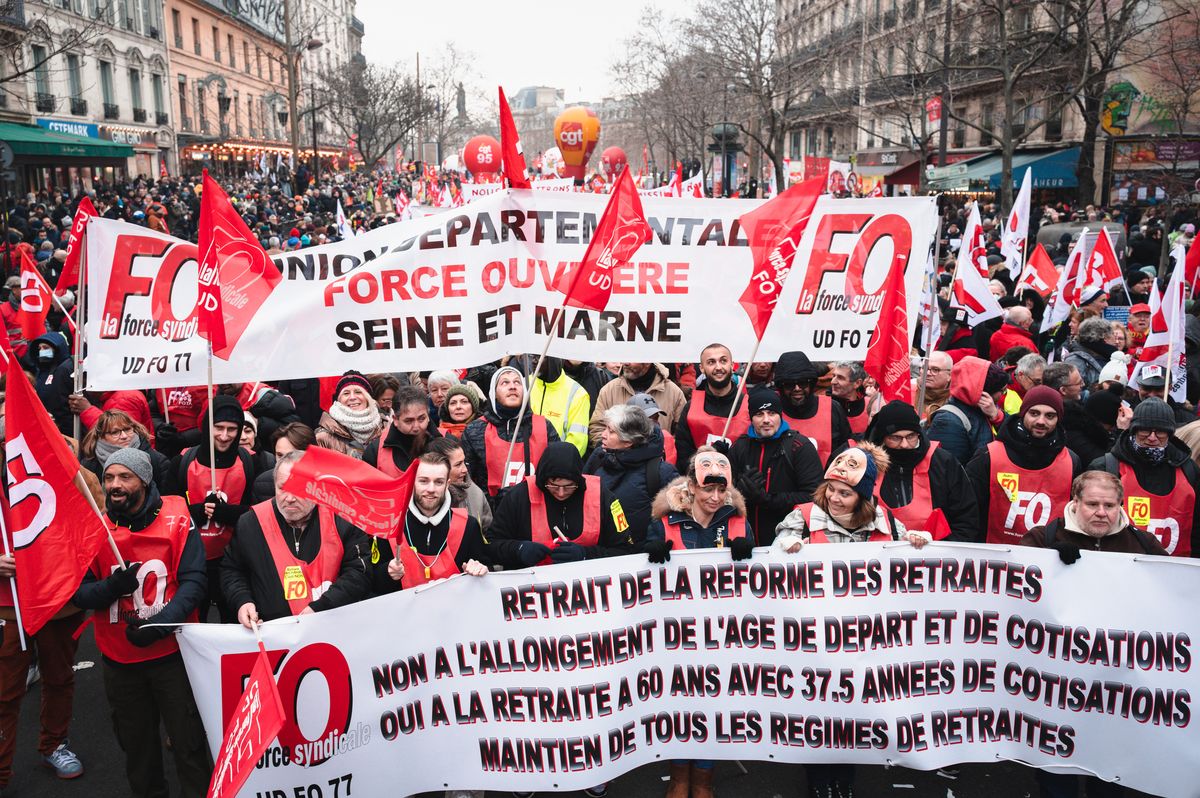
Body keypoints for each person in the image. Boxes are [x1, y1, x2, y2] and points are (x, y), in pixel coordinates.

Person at [771, 443, 929, 798]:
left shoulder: (885, 522)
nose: (836, 498)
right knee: (819, 711)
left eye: (845, 493)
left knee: (852, 713)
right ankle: (818, 781)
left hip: (863, 640)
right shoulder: (805, 515)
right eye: (831, 490)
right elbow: (778, 543)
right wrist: (787, 545)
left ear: (863, 497)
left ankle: (844, 780)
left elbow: (909, 554)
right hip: (815, 638)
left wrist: (918, 543)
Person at [70, 448, 212, 798]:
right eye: (108, 478)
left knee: (189, 744)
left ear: (145, 481)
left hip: (173, 656)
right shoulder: (96, 526)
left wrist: (160, 625)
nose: (114, 485)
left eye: (125, 477)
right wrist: (110, 587)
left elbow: (194, 580)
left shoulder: (177, 515)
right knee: (137, 749)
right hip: (120, 662)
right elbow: (79, 593)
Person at [1019, 470, 1165, 798]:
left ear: (1121, 506)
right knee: (1058, 776)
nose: (1102, 512)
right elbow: (1016, 598)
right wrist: (1047, 566)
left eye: (1110, 505)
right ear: (1075, 502)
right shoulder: (1044, 538)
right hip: (1057, 684)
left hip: (1115, 684)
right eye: (1093, 504)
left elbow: (1170, 596)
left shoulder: (1143, 543)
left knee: (1110, 773)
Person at [644, 445, 752, 798]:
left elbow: (755, 578)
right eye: (708, 488)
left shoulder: (737, 519)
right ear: (691, 485)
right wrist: (653, 550)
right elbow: (642, 573)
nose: (716, 496)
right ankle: (679, 775)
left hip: (721, 635)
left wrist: (747, 551)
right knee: (678, 706)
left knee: (712, 707)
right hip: (675, 635)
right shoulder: (664, 520)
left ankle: (704, 777)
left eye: (722, 489)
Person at [221, 451, 375, 626]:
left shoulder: (343, 518)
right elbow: (232, 570)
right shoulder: (250, 523)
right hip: (273, 634)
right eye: (282, 488)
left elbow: (359, 573)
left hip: (333, 627)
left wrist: (321, 607)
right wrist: (242, 601)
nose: (290, 498)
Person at [169, 394, 261, 622]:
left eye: (232, 429)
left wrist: (230, 514)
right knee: (192, 622)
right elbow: (167, 515)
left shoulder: (252, 461)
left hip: (233, 559)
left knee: (233, 622)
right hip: (192, 560)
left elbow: (263, 513)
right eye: (218, 427)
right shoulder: (183, 461)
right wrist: (195, 514)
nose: (224, 436)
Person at [966, 386, 1082, 544]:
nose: (1041, 421)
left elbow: (1077, 513)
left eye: (1050, 416)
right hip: (994, 557)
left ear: (1058, 419)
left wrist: (1067, 542)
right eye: (1034, 413)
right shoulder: (988, 456)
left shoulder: (1071, 461)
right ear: (1023, 413)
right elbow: (968, 511)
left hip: (1048, 557)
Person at [489, 442, 634, 568]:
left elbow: (626, 550)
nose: (561, 493)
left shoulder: (602, 495)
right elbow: (491, 545)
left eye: (569, 486)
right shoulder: (518, 496)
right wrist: (518, 550)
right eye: (553, 485)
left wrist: (586, 554)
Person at [1091, 397, 1200, 558]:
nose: (1152, 437)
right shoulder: (1106, 467)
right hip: (1118, 569)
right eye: (1145, 430)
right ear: (1133, 430)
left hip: (1175, 570)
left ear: (1170, 434)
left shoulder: (1189, 469)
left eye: (1160, 431)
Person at [866, 400, 980, 541]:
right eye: (895, 438)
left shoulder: (942, 463)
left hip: (935, 557)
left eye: (911, 436)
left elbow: (966, 520)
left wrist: (937, 547)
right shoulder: (866, 464)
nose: (905, 445)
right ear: (882, 438)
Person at [375, 453, 491, 591]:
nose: (431, 489)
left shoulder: (468, 526)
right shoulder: (390, 524)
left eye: (438, 482)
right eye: (423, 481)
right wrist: (387, 573)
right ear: (412, 481)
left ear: (447, 484)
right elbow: (372, 582)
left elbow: (486, 576)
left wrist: (479, 570)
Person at [727, 387, 822, 546]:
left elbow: (815, 496)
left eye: (772, 413)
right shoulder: (739, 447)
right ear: (751, 418)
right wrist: (739, 493)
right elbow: (722, 496)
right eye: (759, 414)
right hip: (747, 544)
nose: (766, 419)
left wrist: (767, 499)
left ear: (780, 415)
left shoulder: (799, 446)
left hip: (790, 544)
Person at [461, 366, 559, 505]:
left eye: (517, 382)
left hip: (536, 511)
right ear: (493, 393)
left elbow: (556, 473)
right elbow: (467, 480)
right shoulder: (474, 430)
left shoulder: (545, 426)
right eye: (504, 382)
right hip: (492, 515)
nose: (512, 387)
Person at [584, 404, 678, 546]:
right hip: (599, 555)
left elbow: (678, 517)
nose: (603, 434)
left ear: (628, 442)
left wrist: (658, 542)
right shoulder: (598, 457)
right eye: (605, 428)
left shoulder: (661, 473)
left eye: (611, 431)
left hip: (640, 560)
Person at [674, 344, 749, 469]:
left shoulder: (748, 406)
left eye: (723, 361)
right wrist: (707, 456)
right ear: (702, 368)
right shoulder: (690, 408)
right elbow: (683, 461)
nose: (718, 367)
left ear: (732, 365)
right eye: (711, 362)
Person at [774, 351, 851, 466]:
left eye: (803, 383)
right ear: (780, 386)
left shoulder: (832, 408)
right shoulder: (772, 411)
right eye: (790, 384)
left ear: (812, 383)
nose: (797, 388)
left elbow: (848, 451)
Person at [927, 356, 1008, 465]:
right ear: (984, 394)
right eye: (1003, 391)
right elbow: (949, 471)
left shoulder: (986, 410)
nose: (1005, 394)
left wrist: (997, 416)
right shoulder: (948, 421)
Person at [588, 363, 686, 445]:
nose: (625, 363)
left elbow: (682, 435)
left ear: (647, 362)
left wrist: (663, 451)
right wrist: (611, 450)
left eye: (632, 358)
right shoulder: (609, 390)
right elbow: (597, 427)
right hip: (618, 463)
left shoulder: (674, 392)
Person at [80, 410, 171, 496]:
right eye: (115, 432)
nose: (124, 436)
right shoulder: (89, 466)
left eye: (127, 429)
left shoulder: (158, 462)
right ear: (101, 436)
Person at [363, 385, 440, 477]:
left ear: (428, 415)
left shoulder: (446, 441)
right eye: (408, 421)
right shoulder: (375, 451)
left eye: (421, 419)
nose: (416, 426)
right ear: (395, 419)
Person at [426, 436, 494, 531]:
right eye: (458, 465)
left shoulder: (475, 493)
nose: (465, 470)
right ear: (439, 467)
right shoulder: (424, 497)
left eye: (464, 462)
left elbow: (488, 533)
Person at [527, 357, 591, 455]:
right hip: (523, 463)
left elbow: (577, 443)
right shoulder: (523, 384)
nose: (534, 361)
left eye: (540, 356)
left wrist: (555, 464)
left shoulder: (578, 394)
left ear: (555, 359)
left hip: (556, 466)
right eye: (532, 356)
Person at [316, 370, 384, 458]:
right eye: (346, 393)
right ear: (339, 400)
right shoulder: (322, 437)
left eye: (358, 392)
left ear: (368, 397)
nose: (352, 397)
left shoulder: (385, 427)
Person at [26, 332, 74, 435]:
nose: (42, 351)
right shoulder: (41, 371)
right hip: (48, 429)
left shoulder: (65, 369)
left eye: (46, 347)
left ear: (57, 348)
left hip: (65, 431)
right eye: (39, 349)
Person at [1065, 317, 1117, 391]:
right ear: (1105, 337)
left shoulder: (1111, 357)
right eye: (1112, 334)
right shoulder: (1076, 360)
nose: (1116, 339)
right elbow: (1073, 391)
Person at [829, 361, 870, 434]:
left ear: (857, 383)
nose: (833, 381)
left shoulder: (870, 406)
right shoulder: (823, 405)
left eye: (840, 378)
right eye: (833, 376)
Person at [917, 350, 954, 421]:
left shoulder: (955, 400)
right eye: (924, 368)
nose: (927, 373)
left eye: (935, 370)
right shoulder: (906, 390)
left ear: (949, 375)